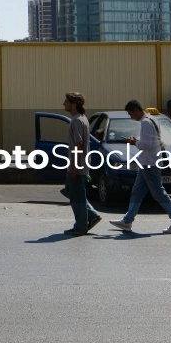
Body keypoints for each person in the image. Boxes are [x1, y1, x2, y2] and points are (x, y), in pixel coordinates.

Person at [110, 100, 171, 234]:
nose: (130, 117)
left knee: (159, 194)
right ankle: (127, 221)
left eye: (130, 113)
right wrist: (137, 139)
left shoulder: (145, 122)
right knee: (137, 192)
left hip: (150, 164)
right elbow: (150, 139)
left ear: (135, 110)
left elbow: (146, 144)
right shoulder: (151, 119)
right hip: (147, 163)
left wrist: (134, 142)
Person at [62, 92, 100, 236]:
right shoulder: (81, 118)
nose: (64, 104)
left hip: (77, 165)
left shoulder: (77, 121)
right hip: (78, 163)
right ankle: (91, 215)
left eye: (66, 101)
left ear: (74, 105)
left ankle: (81, 226)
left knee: (76, 197)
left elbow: (78, 144)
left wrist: (74, 166)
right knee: (69, 190)